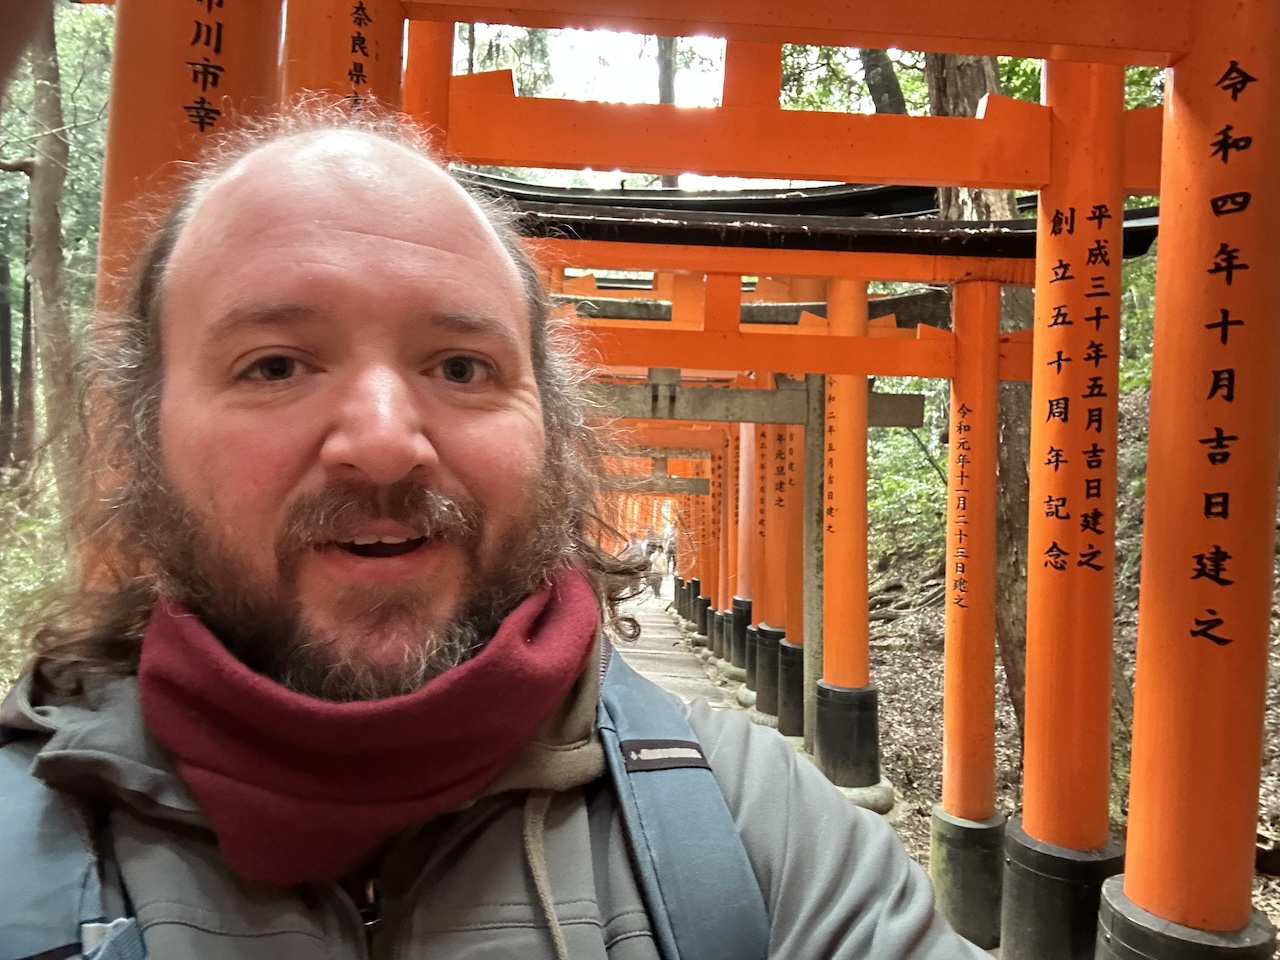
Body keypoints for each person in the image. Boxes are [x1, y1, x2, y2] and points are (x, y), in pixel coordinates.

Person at [0, 108, 987, 958]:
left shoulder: (755, 827)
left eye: (461, 367)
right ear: (141, 430)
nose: (384, 444)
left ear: (553, 429)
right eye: (274, 366)